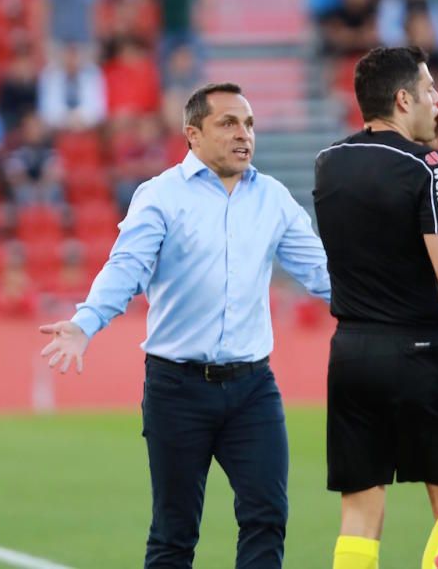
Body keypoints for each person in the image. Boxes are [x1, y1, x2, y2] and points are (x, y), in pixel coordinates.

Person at [38, 82, 330, 568]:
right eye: (229, 123)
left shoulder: (273, 198)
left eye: (250, 124)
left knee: (267, 516)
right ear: (192, 134)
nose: (244, 134)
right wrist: (84, 323)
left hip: (253, 386)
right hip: (177, 388)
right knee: (175, 533)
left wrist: (390, 306)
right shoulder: (160, 196)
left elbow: (324, 274)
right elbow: (125, 268)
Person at [313, 46, 438, 569]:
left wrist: (427, 149)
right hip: (419, 353)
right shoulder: (431, 166)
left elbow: (377, 209)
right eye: (428, 89)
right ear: (403, 99)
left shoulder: (328, 163)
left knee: (360, 514)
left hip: (351, 354)